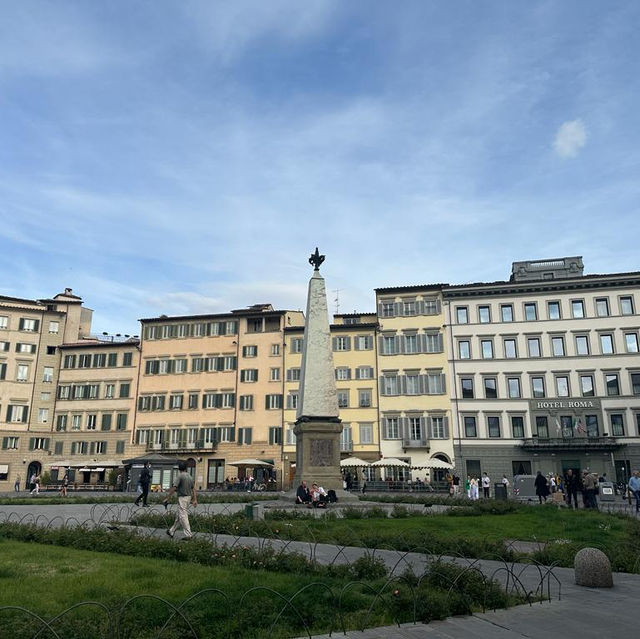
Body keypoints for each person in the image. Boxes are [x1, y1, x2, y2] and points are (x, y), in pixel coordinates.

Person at [164, 461, 197, 540]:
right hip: (188, 497)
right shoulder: (190, 476)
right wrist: (195, 499)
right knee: (179, 516)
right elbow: (193, 489)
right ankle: (171, 531)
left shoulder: (180, 476)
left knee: (183, 516)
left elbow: (174, 487)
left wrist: (167, 498)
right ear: (186, 468)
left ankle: (188, 534)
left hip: (182, 498)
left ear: (179, 468)